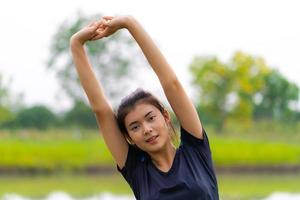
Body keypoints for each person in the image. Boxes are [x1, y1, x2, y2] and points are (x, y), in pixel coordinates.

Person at [70, 15, 219, 200]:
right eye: (135, 127)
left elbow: (172, 84)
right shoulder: (137, 170)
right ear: (128, 136)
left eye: (150, 118)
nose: (146, 130)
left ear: (165, 116)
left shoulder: (195, 152)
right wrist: (76, 44)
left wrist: (129, 23)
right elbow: (101, 110)